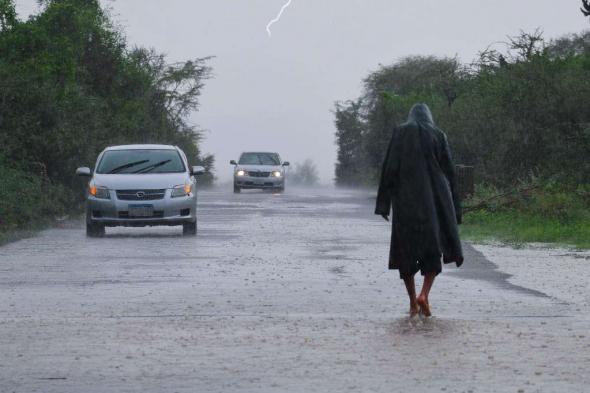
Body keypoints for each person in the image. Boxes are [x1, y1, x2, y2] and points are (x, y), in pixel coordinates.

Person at [375, 103, 464, 317]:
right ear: (429, 118)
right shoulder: (438, 135)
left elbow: (389, 168)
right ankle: (424, 294)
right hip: (433, 202)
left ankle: (412, 303)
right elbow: (450, 173)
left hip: (405, 202)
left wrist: (384, 204)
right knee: (432, 251)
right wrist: (455, 210)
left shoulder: (400, 133)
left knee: (405, 252)